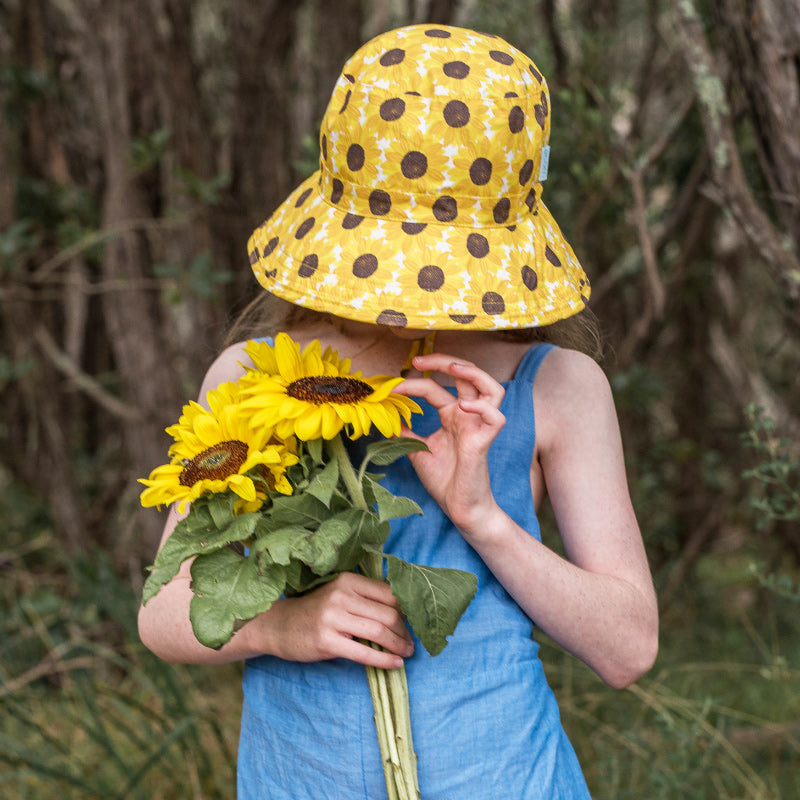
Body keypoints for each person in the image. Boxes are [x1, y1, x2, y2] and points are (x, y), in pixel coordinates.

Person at [137, 23, 658, 799]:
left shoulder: (558, 387)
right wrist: (288, 626)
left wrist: (483, 516)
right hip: (297, 780)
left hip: (509, 777)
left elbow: (628, 649)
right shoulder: (252, 376)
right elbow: (165, 614)